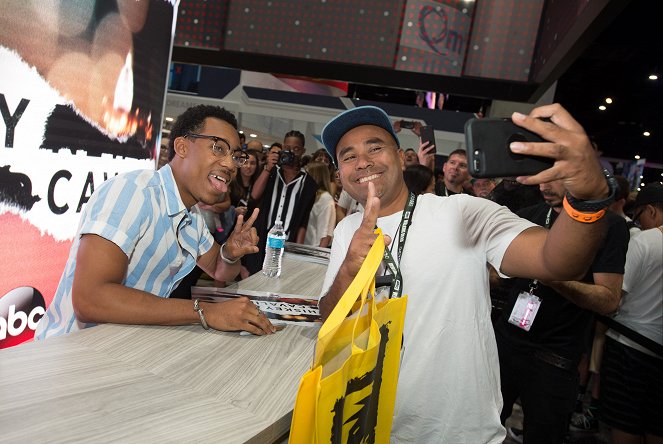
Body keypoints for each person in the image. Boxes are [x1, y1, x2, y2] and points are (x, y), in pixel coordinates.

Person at [317, 104, 617, 443]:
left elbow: (557, 262)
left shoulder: (461, 213)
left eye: (375, 147)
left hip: (455, 429)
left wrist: (588, 199)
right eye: (348, 156)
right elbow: (330, 319)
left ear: (403, 158)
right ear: (339, 174)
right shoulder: (346, 229)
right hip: (370, 420)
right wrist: (348, 272)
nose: (363, 162)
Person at [35, 105, 276, 339]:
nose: (231, 164)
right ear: (182, 146)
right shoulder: (133, 192)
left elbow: (220, 269)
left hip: (122, 350)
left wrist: (230, 253)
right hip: (70, 357)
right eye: (219, 148)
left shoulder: (191, 217)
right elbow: (90, 299)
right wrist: (204, 311)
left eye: (236, 156)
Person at [494, 179, 628, 444]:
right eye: (542, 176)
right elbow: (497, 272)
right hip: (504, 345)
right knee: (482, 429)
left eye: (555, 176)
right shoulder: (530, 215)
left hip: (553, 358)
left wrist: (551, 275)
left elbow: (609, 300)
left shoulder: (608, 225)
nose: (545, 185)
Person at [601, 183, 663, 444]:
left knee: (624, 423)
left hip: (629, 345)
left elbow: (613, 297)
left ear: (650, 210)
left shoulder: (644, 241)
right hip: (659, 348)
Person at [245, 131, 317, 274]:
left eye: (296, 149)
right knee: (255, 277)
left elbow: (304, 221)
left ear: (303, 151)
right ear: (282, 147)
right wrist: (268, 168)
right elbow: (255, 195)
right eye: (287, 147)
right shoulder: (271, 173)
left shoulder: (308, 183)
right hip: (262, 238)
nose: (290, 151)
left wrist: (297, 250)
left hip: (287, 243)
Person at [304, 162, 336, 248]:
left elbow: (326, 233)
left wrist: (316, 256)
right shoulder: (308, 196)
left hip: (313, 249)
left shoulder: (325, 198)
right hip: (302, 246)